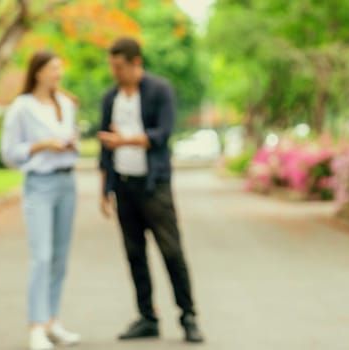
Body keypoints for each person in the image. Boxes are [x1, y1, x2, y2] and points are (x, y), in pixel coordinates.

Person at [96, 37, 205, 344]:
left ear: (136, 63)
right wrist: (104, 189)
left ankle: (188, 315)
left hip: (154, 186)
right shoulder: (110, 98)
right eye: (112, 67)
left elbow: (163, 134)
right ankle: (147, 316)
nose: (115, 73)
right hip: (124, 186)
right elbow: (105, 146)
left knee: (171, 251)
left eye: (119, 67)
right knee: (134, 254)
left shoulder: (159, 90)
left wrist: (126, 140)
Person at [0, 50, 81, 350]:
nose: (58, 74)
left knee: (60, 257)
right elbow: (9, 153)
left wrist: (69, 143)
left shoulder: (65, 104)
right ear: (38, 72)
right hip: (39, 185)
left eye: (60, 68)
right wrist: (41, 145)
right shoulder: (22, 107)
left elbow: (73, 143)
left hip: (66, 181)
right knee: (42, 256)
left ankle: (51, 321)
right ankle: (35, 326)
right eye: (53, 69)